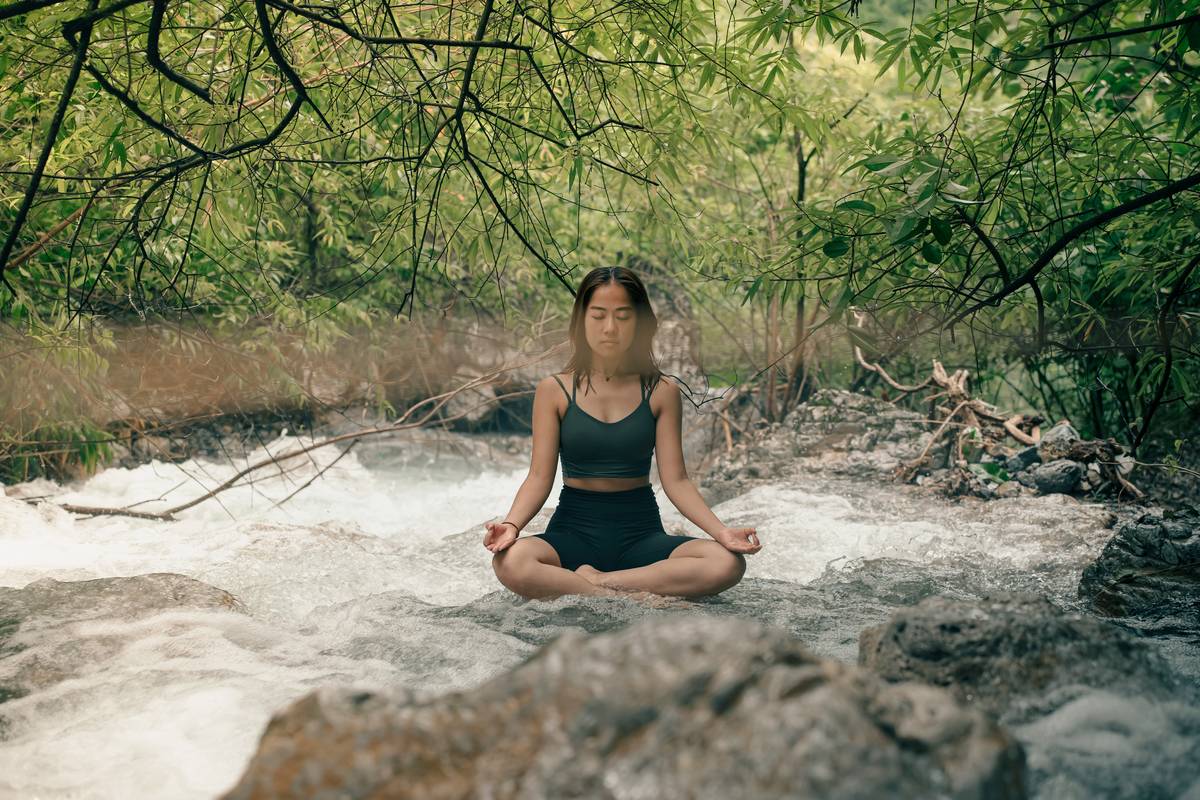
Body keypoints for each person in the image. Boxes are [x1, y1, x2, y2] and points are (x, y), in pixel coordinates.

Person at [482, 266, 762, 600]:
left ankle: (598, 584)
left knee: (726, 564)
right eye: (598, 316)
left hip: (641, 535)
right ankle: (633, 592)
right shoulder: (554, 390)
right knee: (511, 562)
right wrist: (512, 525)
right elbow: (539, 476)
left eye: (623, 316)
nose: (610, 328)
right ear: (581, 321)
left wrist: (722, 532)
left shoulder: (662, 391)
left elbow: (677, 481)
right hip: (573, 532)